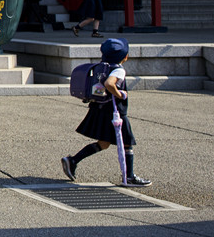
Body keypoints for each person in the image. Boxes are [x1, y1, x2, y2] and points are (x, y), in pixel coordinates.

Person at [60, 37, 151, 186]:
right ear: (125, 56)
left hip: (100, 108)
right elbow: (110, 83)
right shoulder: (118, 70)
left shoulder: (100, 67)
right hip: (115, 112)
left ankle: (73, 160)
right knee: (127, 143)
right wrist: (120, 94)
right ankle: (129, 176)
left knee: (104, 143)